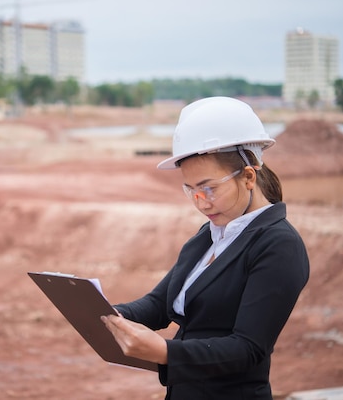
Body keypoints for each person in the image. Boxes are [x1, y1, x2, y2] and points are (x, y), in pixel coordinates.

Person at [101, 96, 310, 399]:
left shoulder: (279, 245)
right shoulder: (210, 235)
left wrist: (166, 352)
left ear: (249, 177)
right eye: (191, 190)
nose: (201, 202)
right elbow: (161, 305)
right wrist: (107, 314)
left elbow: (248, 349)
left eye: (209, 188)